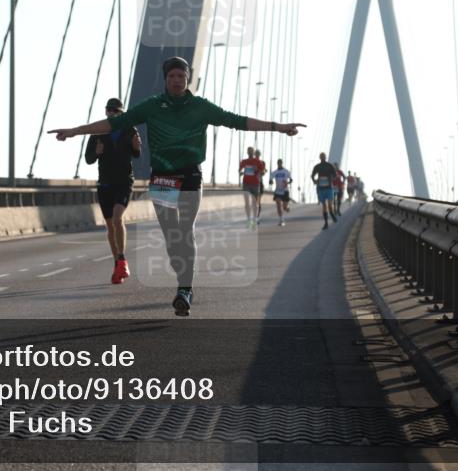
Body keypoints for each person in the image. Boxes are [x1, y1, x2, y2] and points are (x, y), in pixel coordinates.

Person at [50, 56, 304, 317]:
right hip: (162, 177)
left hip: (191, 175)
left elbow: (236, 120)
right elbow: (114, 124)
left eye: (180, 76)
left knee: (185, 230)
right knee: (172, 236)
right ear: (165, 79)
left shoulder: (200, 107)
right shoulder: (151, 106)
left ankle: (185, 289)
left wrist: (278, 128)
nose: (176, 80)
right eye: (171, 76)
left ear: (187, 78)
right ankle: (182, 275)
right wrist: (74, 131)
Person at [84, 97, 141, 284]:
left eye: (116, 111)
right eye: (109, 110)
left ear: (121, 113)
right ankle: (117, 264)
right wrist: (97, 152)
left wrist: (136, 147)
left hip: (124, 181)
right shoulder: (97, 133)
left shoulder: (130, 130)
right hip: (105, 183)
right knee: (110, 225)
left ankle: (122, 259)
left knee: (118, 217)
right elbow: (89, 159)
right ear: (106, 111)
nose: (112, 113)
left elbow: (136, 154)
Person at [311, 153, 338, 229]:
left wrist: (331, 179)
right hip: (321, 188)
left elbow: (335, 175)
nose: (322, 158)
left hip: (329, 187)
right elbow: (312, 175)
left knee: (329, 204)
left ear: (326, 157)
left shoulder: (330, 166)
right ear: (320, 157)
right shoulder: (317, 166)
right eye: (321, 157)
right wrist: (314, 181)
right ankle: (326, 223)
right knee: (324, 206)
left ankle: (332, 214)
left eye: (324, 156)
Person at [239, 147, 263, 229]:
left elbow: (262, 171)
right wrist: (241, 172)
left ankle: (255, 220)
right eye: (248, 151)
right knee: (247, 203)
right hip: (246, 183)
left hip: (255, 184)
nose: (249, 153)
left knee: (254, 203)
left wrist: (257, 171)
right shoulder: (244, 161)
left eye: (251, 151)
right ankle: (249, 220)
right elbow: (240, 170)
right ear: (247, 152)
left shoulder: (257, 161)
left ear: (253, 152)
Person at [269, 159, 292, 226]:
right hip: (278, 191)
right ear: (277, 164)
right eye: (278, 163)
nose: (279, 164)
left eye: (280, 163)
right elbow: (270, 181)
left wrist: (287, 182)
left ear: (282, 163)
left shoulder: (286, 171)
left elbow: (291, 180)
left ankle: (287, 208)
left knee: (284, 208)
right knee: (278, 205)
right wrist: (271, 182)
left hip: (285, 191)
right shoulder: (275, 172)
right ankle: (281, 220)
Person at [253, 149, 266, 221]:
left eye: (258, 154)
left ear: (259, 155)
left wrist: (259, 171)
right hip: (251, 183)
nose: (257, 155)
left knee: (258, 201)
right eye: (256, 154)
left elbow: (263, 172)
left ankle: (257, 217)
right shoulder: (251, 162)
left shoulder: (262, 162)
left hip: (259, 183)